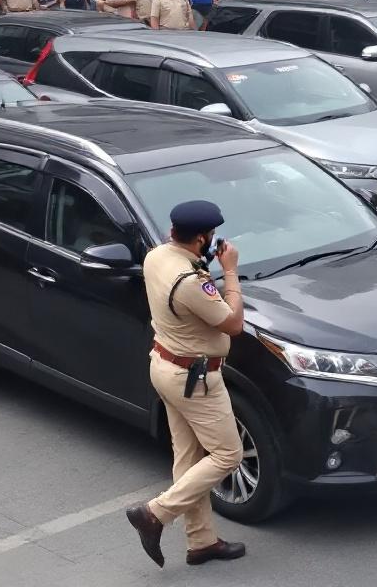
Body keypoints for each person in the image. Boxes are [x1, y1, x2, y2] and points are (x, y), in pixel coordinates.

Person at [124, 200, 246, 569]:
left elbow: (185, 274)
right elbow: (233, 324)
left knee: (189, 458)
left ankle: (201, 541)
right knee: (228, 454)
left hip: (164, 365)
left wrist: (203, 261)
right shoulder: (192, 283)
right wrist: (230, 272)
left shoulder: (157, 256)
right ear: (201, 238)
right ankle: (154, 513)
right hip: (195, 378)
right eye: (209, 237)